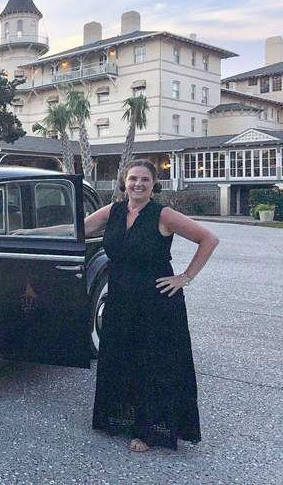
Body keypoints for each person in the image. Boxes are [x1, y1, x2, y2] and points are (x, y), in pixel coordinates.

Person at [84, 159, 219, 452]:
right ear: (124, 182)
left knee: (152, 366)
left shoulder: (163, 214)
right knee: (121, 359)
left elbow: (208, 239)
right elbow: (79, 229)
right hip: (119, 300)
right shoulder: (115, 211)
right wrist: (28, 233)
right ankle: (120, 419)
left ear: (153, 185)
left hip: (155, 304)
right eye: (133, 179)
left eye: (145, 180)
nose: (138, 184)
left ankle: (150, 432)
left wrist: (185, 277)